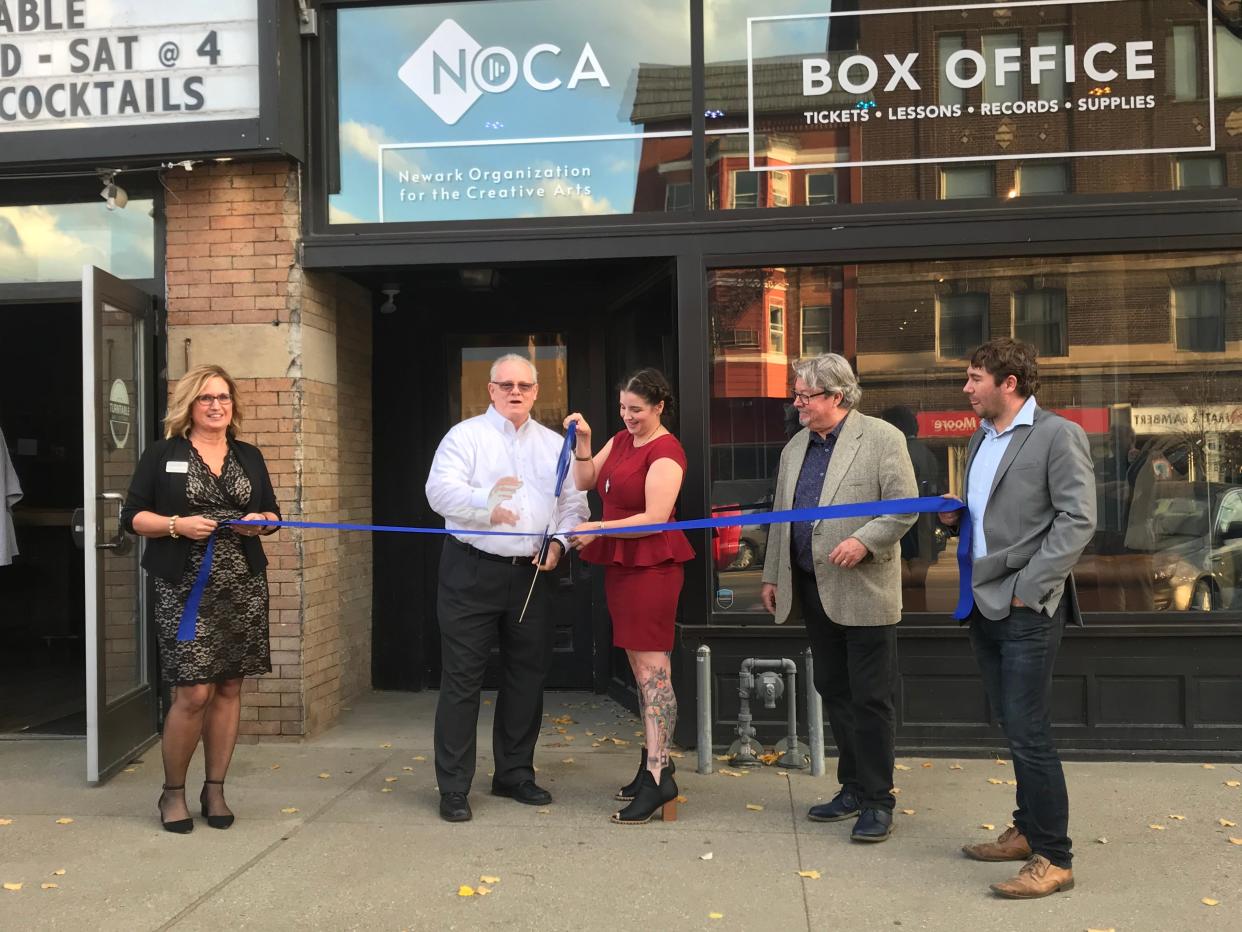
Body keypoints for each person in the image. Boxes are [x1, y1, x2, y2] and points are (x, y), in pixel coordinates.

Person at [939, 338, 1095, 899]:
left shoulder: (1058, 434)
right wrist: (958, 517)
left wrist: (1032, 587)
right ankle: (1027, 831)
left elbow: (1078, 519)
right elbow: (994, 512)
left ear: (1009, 383)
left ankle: (1055, 857)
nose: (966, 387)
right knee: (1012, 723)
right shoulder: (983, 436)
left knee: (1030, 731)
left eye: (974, 376)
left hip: (1027, 604)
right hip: (981, 601)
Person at [425, 354, 589, 823]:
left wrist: (559, 544)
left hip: (533, 573)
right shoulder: (465, 437)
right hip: (470, 571)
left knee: (526, 677)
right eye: (505, 385)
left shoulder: (555, 444)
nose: (515, 392)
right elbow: (438, 492)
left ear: (536, 391)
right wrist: (485, 505)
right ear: (490, 390)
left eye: (524, 385)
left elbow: (573, 505)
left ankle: (514, 774)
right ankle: (453, 787)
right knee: (461, 680)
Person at [760, 353, 917, 843]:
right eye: (797, 394)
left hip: (863, 589)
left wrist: (865, 540)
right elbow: (781, 516)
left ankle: (878, 800)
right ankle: (851, 788)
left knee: (871, 699)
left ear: (838, 396)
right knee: (835, 689)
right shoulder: (794, 448)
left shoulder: (882, 439)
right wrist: (772, 575)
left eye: (806, 395)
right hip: (812, 588)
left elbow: (904, 507)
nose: (797, 402)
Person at [121, 364, 280, 834]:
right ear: (189, 406)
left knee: (230, 685)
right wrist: (177, 526)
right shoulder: (162, 454)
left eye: (224, 398)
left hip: (242, 585)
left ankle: (215, 788)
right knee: (194, 690)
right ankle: (172, 792)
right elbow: (132, 517)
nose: (216, 406)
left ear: (233, 406)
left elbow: (272, 512)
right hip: (183, 585)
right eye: (206, 398)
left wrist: (261, 521)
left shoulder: (249, 455)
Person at [565, 367, 694, 825]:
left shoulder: (667, 451)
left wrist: (596, 527)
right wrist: (584, 442)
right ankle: (654, 764)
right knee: (641, 669)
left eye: (636, 410)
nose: (628, 417)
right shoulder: (621, 441)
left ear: (659, 407)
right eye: (623, 408)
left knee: (653, 671)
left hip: (652, 567)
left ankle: (660, 778)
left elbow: (656, 516)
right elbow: (584, 482)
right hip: (622, 566)